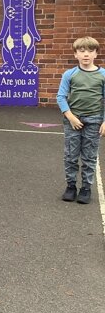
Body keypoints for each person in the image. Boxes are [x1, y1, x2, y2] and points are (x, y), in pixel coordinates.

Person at [56, 36, 105, 204]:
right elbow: (61, 97)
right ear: (75, 54)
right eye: (82, 51)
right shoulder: (69, 74)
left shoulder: (103, 75)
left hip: (94, 120)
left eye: (90, 51)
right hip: (73, 121)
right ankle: (71, 186)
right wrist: (70, 117)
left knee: (89, 157)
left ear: (96, 54)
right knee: (71, 156)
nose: (86, 54)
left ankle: (85, 188)